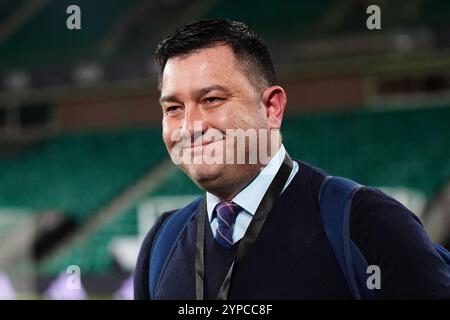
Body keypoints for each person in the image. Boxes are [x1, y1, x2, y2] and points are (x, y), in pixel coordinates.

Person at [134, 19, 450, 300]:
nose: (190, 127)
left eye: (212, 99)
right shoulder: (162, 241)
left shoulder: (365, 222)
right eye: (173, 108)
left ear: (272, 108)